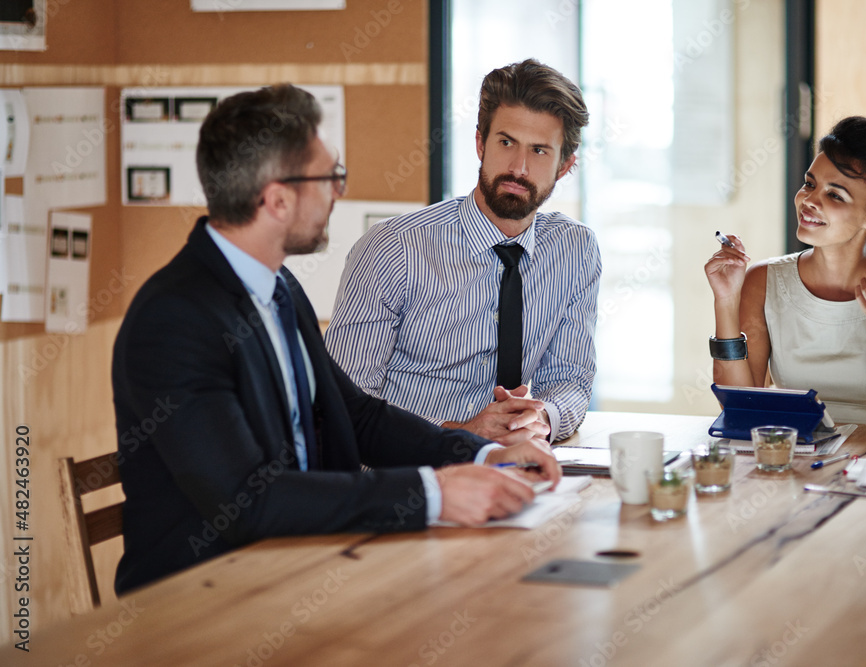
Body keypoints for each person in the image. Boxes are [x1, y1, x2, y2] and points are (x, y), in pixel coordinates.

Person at [111, 84, 560, 594]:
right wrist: (432, 492)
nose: (338, 192)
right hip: (205, 599)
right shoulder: (173, 320)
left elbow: (358, 415)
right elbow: (247, 500)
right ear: (278, 200)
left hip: (306, 560)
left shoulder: (278, 285)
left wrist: (478, 455)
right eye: (330, 177)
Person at [325, 59, 600, 446]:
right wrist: (460, 435)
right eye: (506, 143)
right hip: (405, 475)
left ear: (565, 166)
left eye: (539, 151)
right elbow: (343, 407)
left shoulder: (575, 250)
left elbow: (570, 379)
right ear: (479, 143)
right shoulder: (394, 248)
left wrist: (543, 419)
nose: (518, 168)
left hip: (509, 469)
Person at [705, 116, 866, 429]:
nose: (809, 201)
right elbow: (742, 403)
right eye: (810, 184)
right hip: (791, 454)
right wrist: (725, 300)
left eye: (835, 195)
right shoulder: (763, 280)